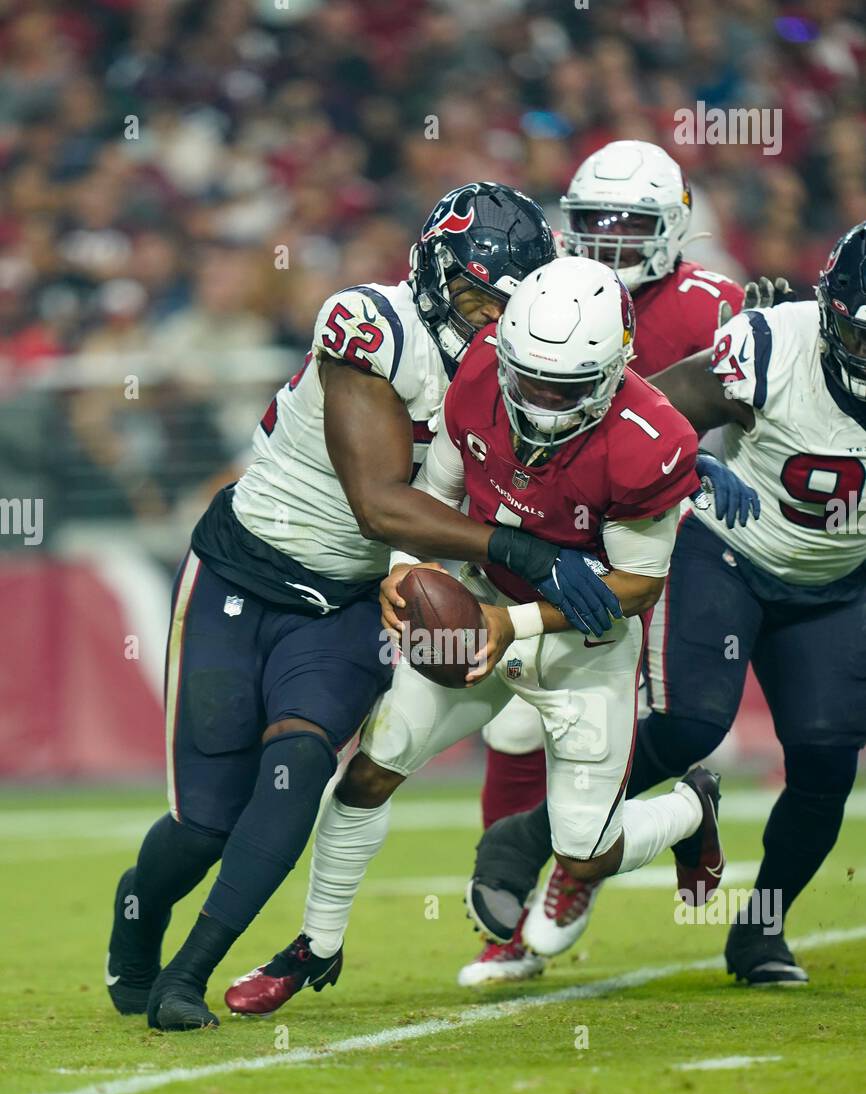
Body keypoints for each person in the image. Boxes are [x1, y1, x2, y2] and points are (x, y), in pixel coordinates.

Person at [105, 182, 608, 1032]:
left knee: (299, 767)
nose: (492, 318)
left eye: (508, 304)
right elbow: (377, 501)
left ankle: (189, 974)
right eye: (481, 295)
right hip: (244, 573)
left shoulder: (518, 359)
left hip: (346, 602)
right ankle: (137, 923)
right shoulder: (370, 324)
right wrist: (525, 553)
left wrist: (678, 458)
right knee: (204, 825)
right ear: (436, 271)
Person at [223, 255, 753, 1018]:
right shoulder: (478, 372)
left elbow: (637, 586)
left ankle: (690, 812)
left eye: (559, 387)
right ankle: (315, 946)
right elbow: (431, 495)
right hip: (476, 601)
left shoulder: (651, 440)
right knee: (370, 772)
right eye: (526, 375)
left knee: (585, 851)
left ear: (613, 370)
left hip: (581, 645)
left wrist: (515, 622)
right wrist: (405, 574)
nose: (536, 398)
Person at [465, 221, 866, 987]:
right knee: (689, 723)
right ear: (832, 312)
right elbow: (647, 410)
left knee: (823, 760)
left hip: (839, 582)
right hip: (729, 555)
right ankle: (541, 838)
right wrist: (691, 467)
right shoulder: (774, 347)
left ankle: (760, 932)